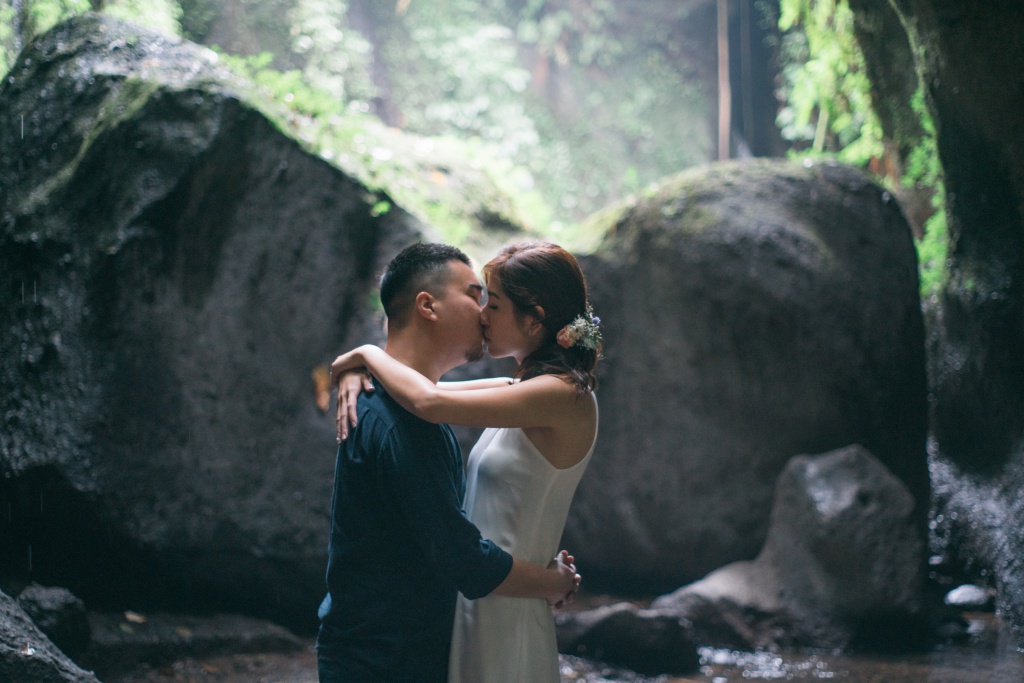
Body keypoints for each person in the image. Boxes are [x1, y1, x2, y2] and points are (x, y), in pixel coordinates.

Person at [331, 241, 601, 683]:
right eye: (479, 299)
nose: (482, 315)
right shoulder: (520, 388)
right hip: (475, 603)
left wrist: (366, 355)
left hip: (505, 605)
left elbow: (429, 400)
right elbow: (424, 393)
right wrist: (367, 369)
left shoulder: (562, 396)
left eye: (492, 304)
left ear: (534, 320)